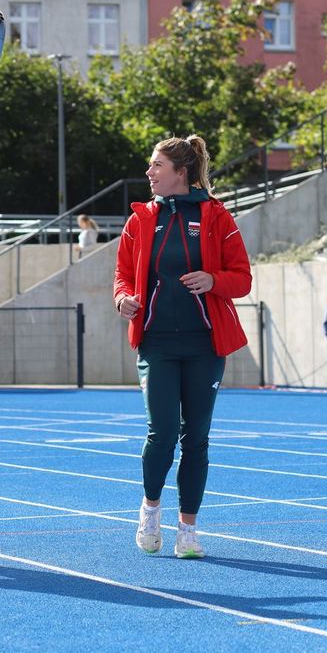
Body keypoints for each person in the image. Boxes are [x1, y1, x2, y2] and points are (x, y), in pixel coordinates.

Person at [113, 135, 252, 559]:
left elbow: (242, 278)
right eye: (151, 165)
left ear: (181, 173)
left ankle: (188, 531)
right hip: (156, 343)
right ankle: (150, 510)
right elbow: (122, 274)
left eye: (157, 165)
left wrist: (213, 280)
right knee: (163, 433)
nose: (150, 172)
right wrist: (123, 299)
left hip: (205, 345)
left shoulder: (217, 216)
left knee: (197, 439)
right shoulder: (140, 220)